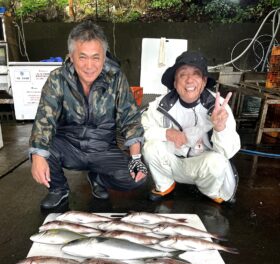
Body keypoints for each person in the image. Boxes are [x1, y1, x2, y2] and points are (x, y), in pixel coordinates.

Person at [30, 21, 147, 209]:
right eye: (82, 57)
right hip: (68, 147)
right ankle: (59, 190)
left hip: (102, 148)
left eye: (96, 57)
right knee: (41, 150)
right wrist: (37, 156)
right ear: (71, 57)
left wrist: (135, 159)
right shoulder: (57, 78)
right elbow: (44, 121)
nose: (89, 65)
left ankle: (98, 177)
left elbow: (130, 119)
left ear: (104, 57)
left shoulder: (116, 78)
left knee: (137, 178)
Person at [142, 51, 240, 204]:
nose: (189, 80)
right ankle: (165, 185)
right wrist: (166, 133)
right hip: (173, 163)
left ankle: (210, 191)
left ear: (203, 81)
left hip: (203, 166)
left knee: (217, 162)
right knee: (150, 147)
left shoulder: (219, 107)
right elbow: (142, 130)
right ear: (175, 82)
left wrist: (220, 128)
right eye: (182, 74)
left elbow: (227, 152)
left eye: (196, 74)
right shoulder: (161, 105)